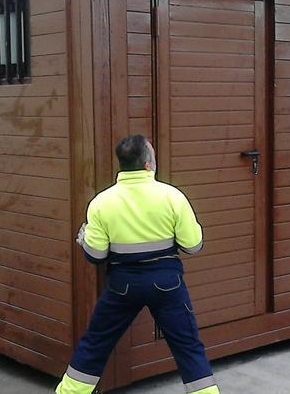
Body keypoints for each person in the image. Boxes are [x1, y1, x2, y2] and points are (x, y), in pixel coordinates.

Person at [55, 135, 220, 394]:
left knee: (95, 344)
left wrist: (85, 239)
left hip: (122, 285)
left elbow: (95, 255)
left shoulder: (101, 202)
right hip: (167, 283)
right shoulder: (172, 197)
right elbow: (193, 245)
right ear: (147, 164)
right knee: (188, 347)